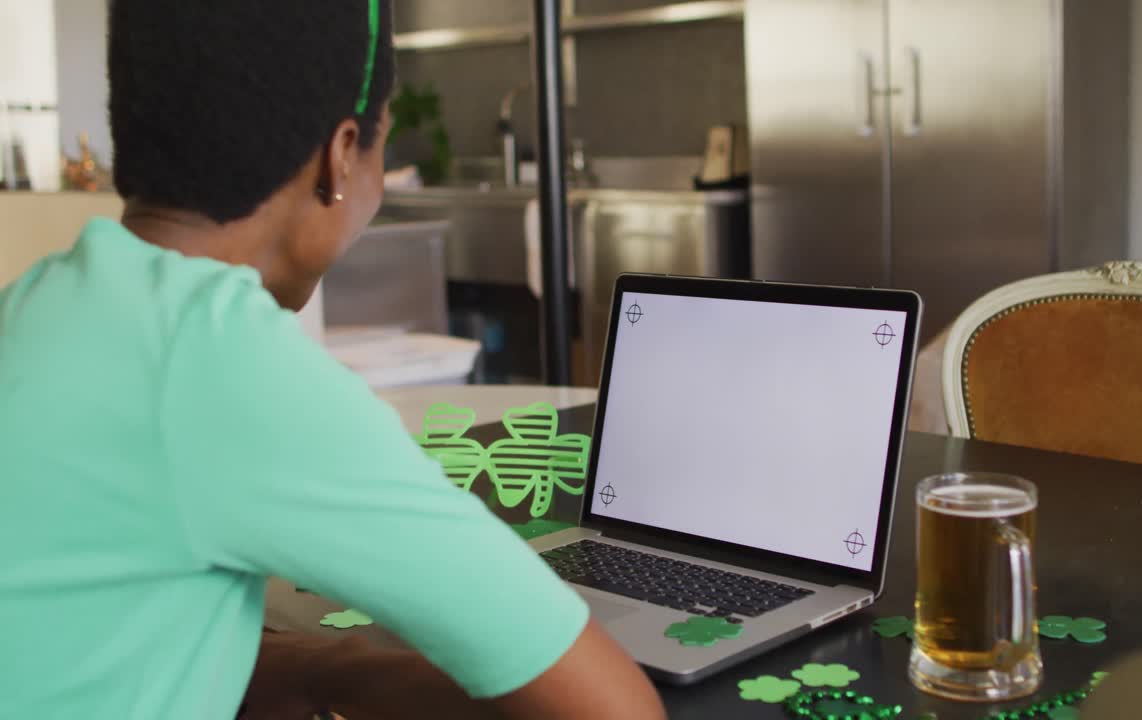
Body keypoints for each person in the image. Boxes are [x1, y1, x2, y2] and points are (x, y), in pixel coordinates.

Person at [0, 2, 665, 719]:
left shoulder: (35, 306)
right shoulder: (227, 363)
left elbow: (125, 635)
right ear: (341, 156)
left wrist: (332, 670)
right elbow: (613, 710)